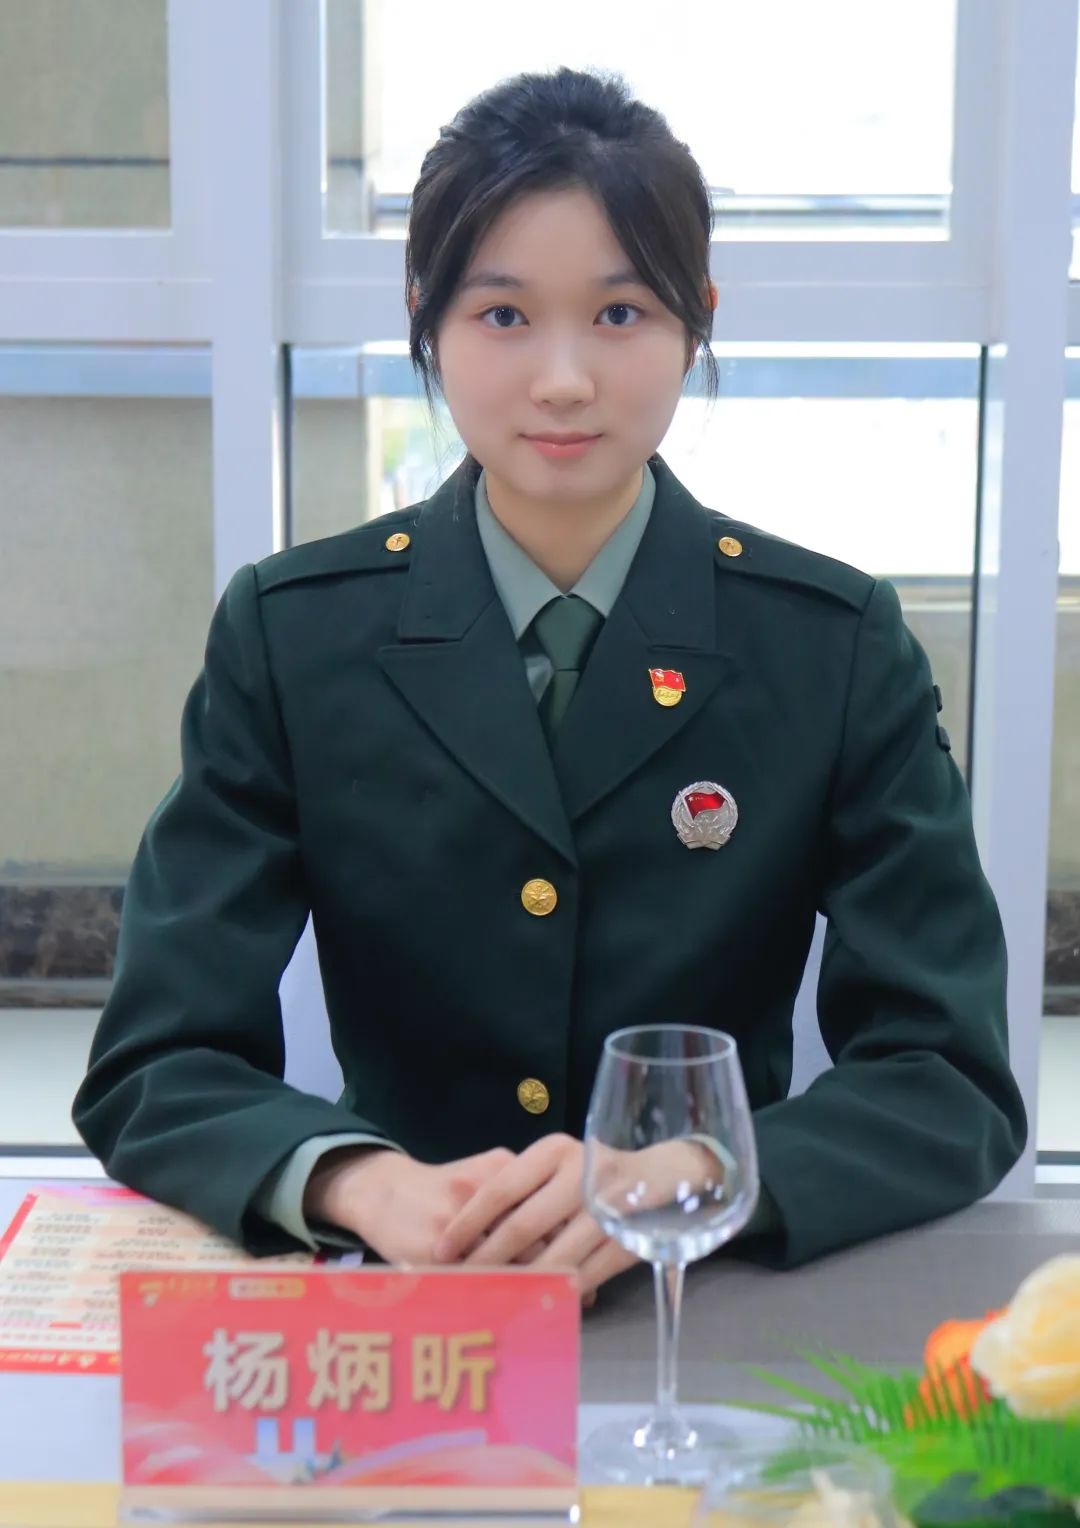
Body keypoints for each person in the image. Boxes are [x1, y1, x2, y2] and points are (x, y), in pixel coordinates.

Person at [72, 67, 1026, 1285]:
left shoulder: (829, 645)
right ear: (425, 314)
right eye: (504, 315)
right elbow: (155, 1060)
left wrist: (693, 1173)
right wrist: (361, 1182)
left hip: (705, 1286)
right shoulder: (295, 635)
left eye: (620, 313)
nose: (564, 378)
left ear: (697, 318)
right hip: (408, 1288)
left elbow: (948, 1075)